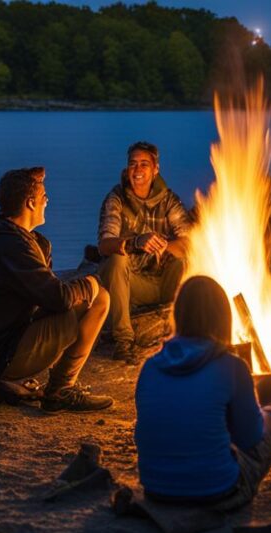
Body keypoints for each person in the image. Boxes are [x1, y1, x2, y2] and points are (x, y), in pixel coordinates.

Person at [134, 275, 271, 511]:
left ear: (178, 315)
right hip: (218, 491)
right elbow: (250, 439)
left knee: (265, 387)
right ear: (223, 317)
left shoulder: (150, 366)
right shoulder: (229, 366)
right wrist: (263, 413)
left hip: (156, 491)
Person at [0, 167, 114, 412]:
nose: (47, 200)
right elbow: (59, 298)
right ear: (30, 203)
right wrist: (90, 283)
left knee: (84, 295)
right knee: (99, 298)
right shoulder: (11, 246)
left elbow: (45, 296)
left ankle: (56, 387)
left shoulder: (10, 238)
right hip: (0, 357)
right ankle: (60, 390)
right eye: (43, 196)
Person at [98, 141, 191, 365]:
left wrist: (163, 245)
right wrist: (136, 242)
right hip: (133, 284)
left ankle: (191, 336)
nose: (138, 170)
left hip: (164, 281)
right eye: (133, 164)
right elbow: (104, 244)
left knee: (186, 260)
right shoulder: (116, 199)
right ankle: (124, 341)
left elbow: (189, 241)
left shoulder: (169, 200)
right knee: (116, 261)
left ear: (155, 169)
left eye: (144, 164)